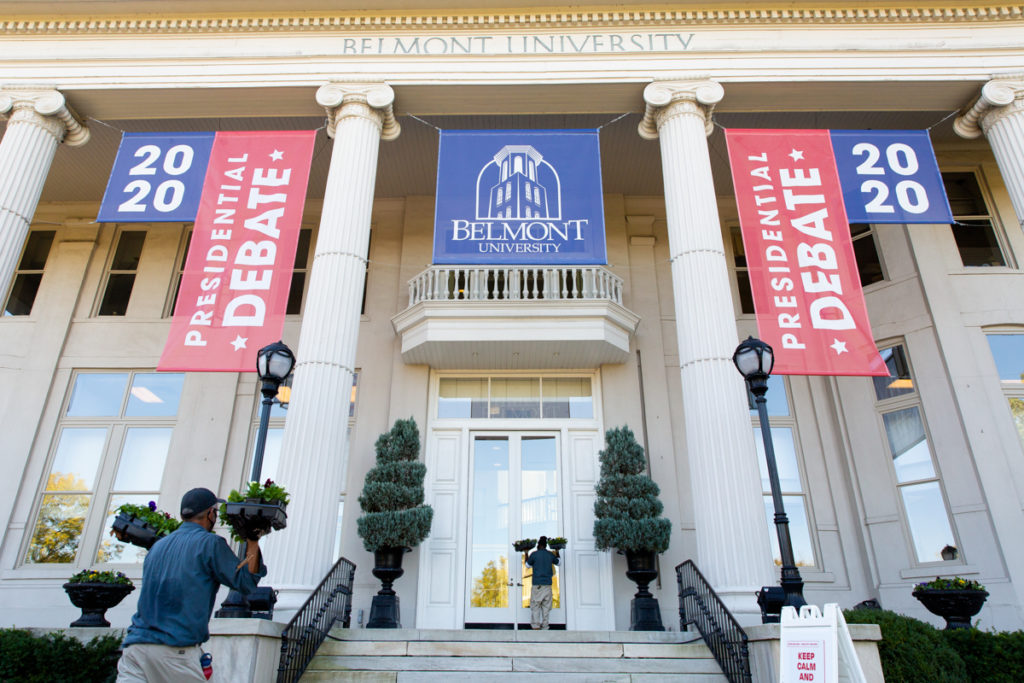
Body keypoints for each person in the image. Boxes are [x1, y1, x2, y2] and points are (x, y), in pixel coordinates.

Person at [117, 487, 267, 682]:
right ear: (211, 513)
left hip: (135, 650)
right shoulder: (210, 544)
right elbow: (246, 583)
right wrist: (253, 539)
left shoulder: (157, 547)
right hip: (175, 652)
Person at [525, 535, 560, 630]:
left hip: (537, 585)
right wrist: (557, 551)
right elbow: (559, 562)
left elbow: (527, 565)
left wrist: (526, 553)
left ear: (539, 545)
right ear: (545, 545)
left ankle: (536, 626)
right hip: (548, 585)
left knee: (536, 606)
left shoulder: (534, 554)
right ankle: (545, 626)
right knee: (546, 607)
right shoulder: (550, 554)